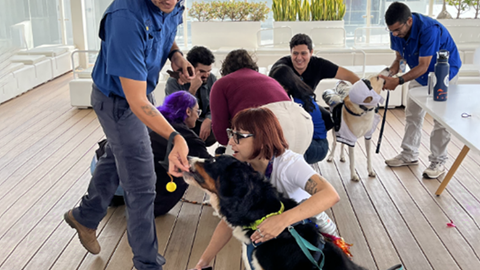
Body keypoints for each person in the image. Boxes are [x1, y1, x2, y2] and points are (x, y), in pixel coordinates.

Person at [63, 1, 193, 269]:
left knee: (116, 157)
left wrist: (176, 55)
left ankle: (85, 216)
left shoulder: (173, 5)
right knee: (142, 183)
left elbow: (165, 32)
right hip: (118, 102)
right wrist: (175, 137)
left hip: (139, 93)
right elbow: (134, 100)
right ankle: (147, 263)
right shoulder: (125, 17)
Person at [193, 107, 340, 270]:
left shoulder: (289, 164)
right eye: (231, 134)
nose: (230, 142)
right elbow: (230, 219)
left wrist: (282, 220)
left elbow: (330, 194)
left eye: (239, 137)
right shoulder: (245, 169)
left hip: (313, 241)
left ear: (262, 139)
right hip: (278, 243)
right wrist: (203, 262)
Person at [381, 2, 462, 179]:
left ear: (409, 21)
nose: (394, 34)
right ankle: (409, 154)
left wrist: (399, 81)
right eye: (391, 31)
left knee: (441, 118)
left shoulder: (428, 29)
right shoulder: (396, 30)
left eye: (397, 30)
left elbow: (424, 66)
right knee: (412, 113)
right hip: (419, 73)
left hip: (444, 71)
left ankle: (438, 161)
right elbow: (400, 58)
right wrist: (390, 72)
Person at [210, 49, 313, 155]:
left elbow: (220, 131)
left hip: (267, 124)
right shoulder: (270, 80)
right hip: (302, 124)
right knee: (284, 169)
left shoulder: (222, 84)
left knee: (234, 167)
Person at [269, 64, 329, 164]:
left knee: (288, 147)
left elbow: (295, 133)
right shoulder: (299, 94)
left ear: (287, 86)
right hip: (312, 142)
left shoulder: (297, 101)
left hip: (318, 145)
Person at [165, 46, 217, 146]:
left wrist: (209, 119)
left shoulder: (211, 79)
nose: (206, 75)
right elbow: (178, 112)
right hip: (184, 124)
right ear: (190, 68)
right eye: (202, 71)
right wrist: (192, 89)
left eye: (209, 71)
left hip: (204, 121)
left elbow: (216, 105)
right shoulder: (173, 82)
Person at [271, 33, 360, 91]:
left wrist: (363, 93)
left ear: (311, 52)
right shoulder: (280, 68)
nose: (299, 58)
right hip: (286, 108)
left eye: (303, 53)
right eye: (295, 53)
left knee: (328, 118)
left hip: (309, 105)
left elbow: (349, 75)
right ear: (290, 52)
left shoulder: (318, 65)